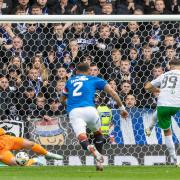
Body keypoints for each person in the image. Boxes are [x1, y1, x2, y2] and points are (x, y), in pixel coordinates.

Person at [60, 63, 128, 171]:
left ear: (76, 72)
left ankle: (91, 149)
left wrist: (70, 105)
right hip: (90, 111)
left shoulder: (69, 81)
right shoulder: (93, 79)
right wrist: (122, 108)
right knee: (98, 133)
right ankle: (99, 163)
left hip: (75, 112)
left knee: (82, 138)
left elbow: (62, 100)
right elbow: (112, 92)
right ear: (88, 71)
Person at [144, 58, 180, 167]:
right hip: (177, 105)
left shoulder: (164, 75)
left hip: (163, 105)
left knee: (167, 132)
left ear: (170, 66)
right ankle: (149, 127)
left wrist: (157, 90)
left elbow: (147, 87)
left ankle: (175, 160)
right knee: (160, 113)